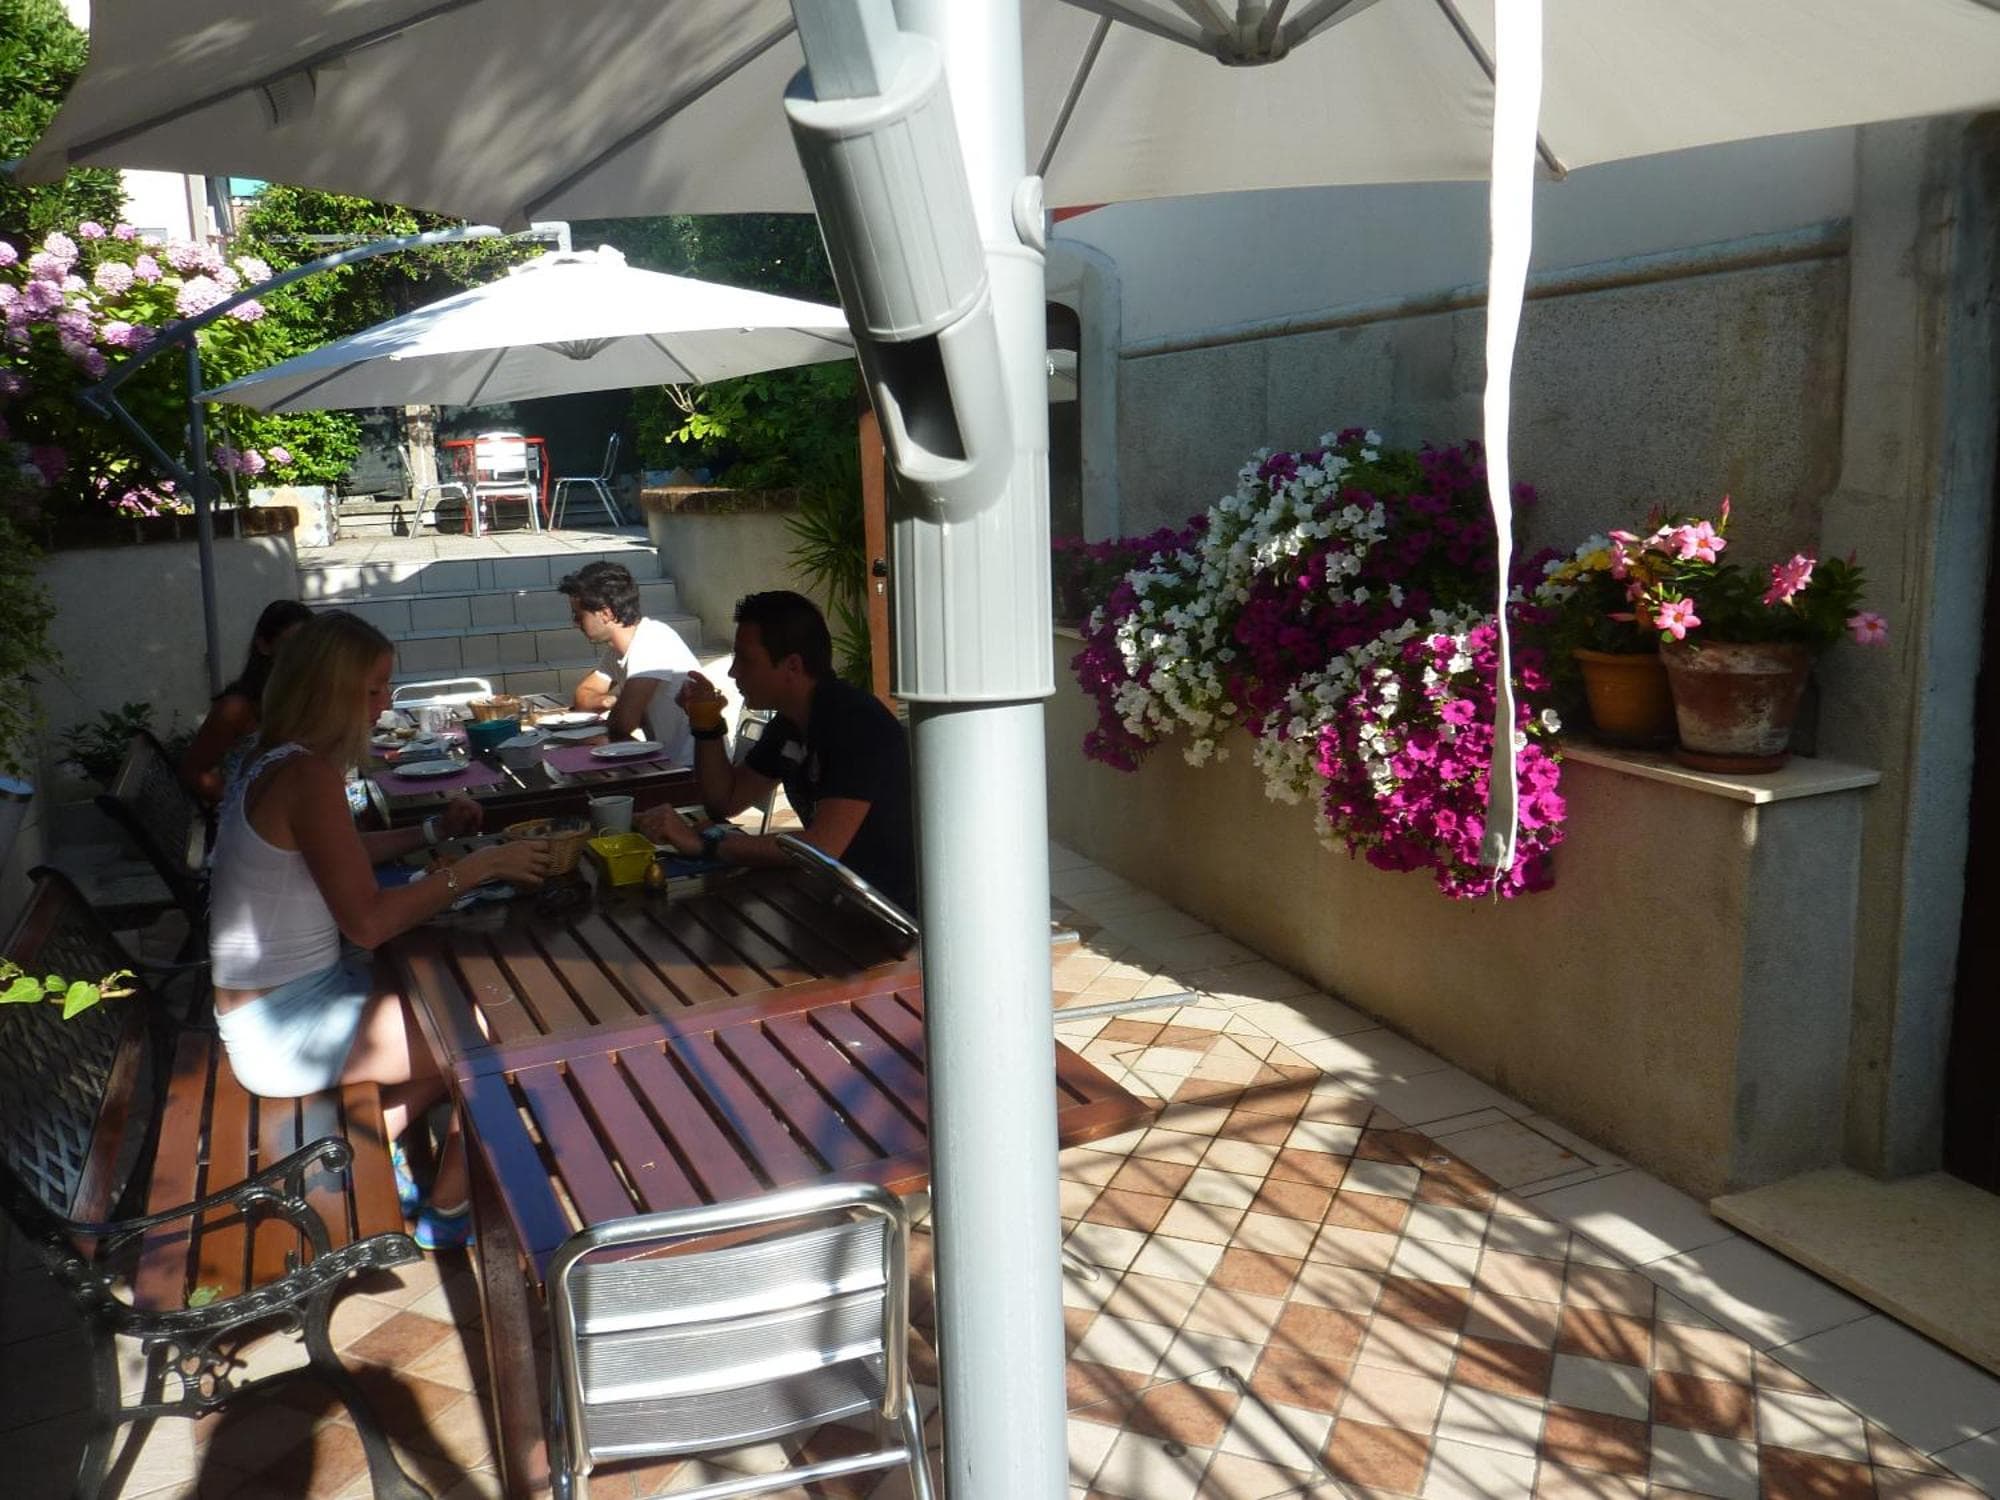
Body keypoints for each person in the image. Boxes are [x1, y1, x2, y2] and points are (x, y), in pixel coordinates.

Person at [206, 611, 550, 1250]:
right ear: (327, 692)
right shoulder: (306, 776)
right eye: (372, 689)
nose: (384, 703)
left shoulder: (274, 759)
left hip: (273, 1009)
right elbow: (367, 924)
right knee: (505, 1029)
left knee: (444, 1002)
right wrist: (477, 868)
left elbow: (339, 853)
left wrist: (430, 832)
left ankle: (365, 1147)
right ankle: (449, 1207)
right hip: (285, 1030)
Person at [637, 590, 917, 915]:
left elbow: (822, 847)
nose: (733, 672)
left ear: (792, 666)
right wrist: (706, 723)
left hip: (890, 915)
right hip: (833, 896)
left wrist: (707, 844)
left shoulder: (855, 723)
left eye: (745, 660)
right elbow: (725, 800)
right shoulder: (790, 722)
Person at [559, 560, 700, 764]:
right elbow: (583, 696)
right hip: (663, 762)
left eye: (579, 616)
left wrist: (622, 707)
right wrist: (612, 701)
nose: (575, 623)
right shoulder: (618, 650)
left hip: (691, 767)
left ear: (606, 614)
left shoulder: (652, 641)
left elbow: (623, 724)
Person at [179, 597, 315, 804]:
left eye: (311, 647)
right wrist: (243, 805)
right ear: (264, 645)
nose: (303, 656)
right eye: (292, 645)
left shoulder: (308, 699)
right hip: (253, 817)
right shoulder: (236, 708)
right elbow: (193, 773)